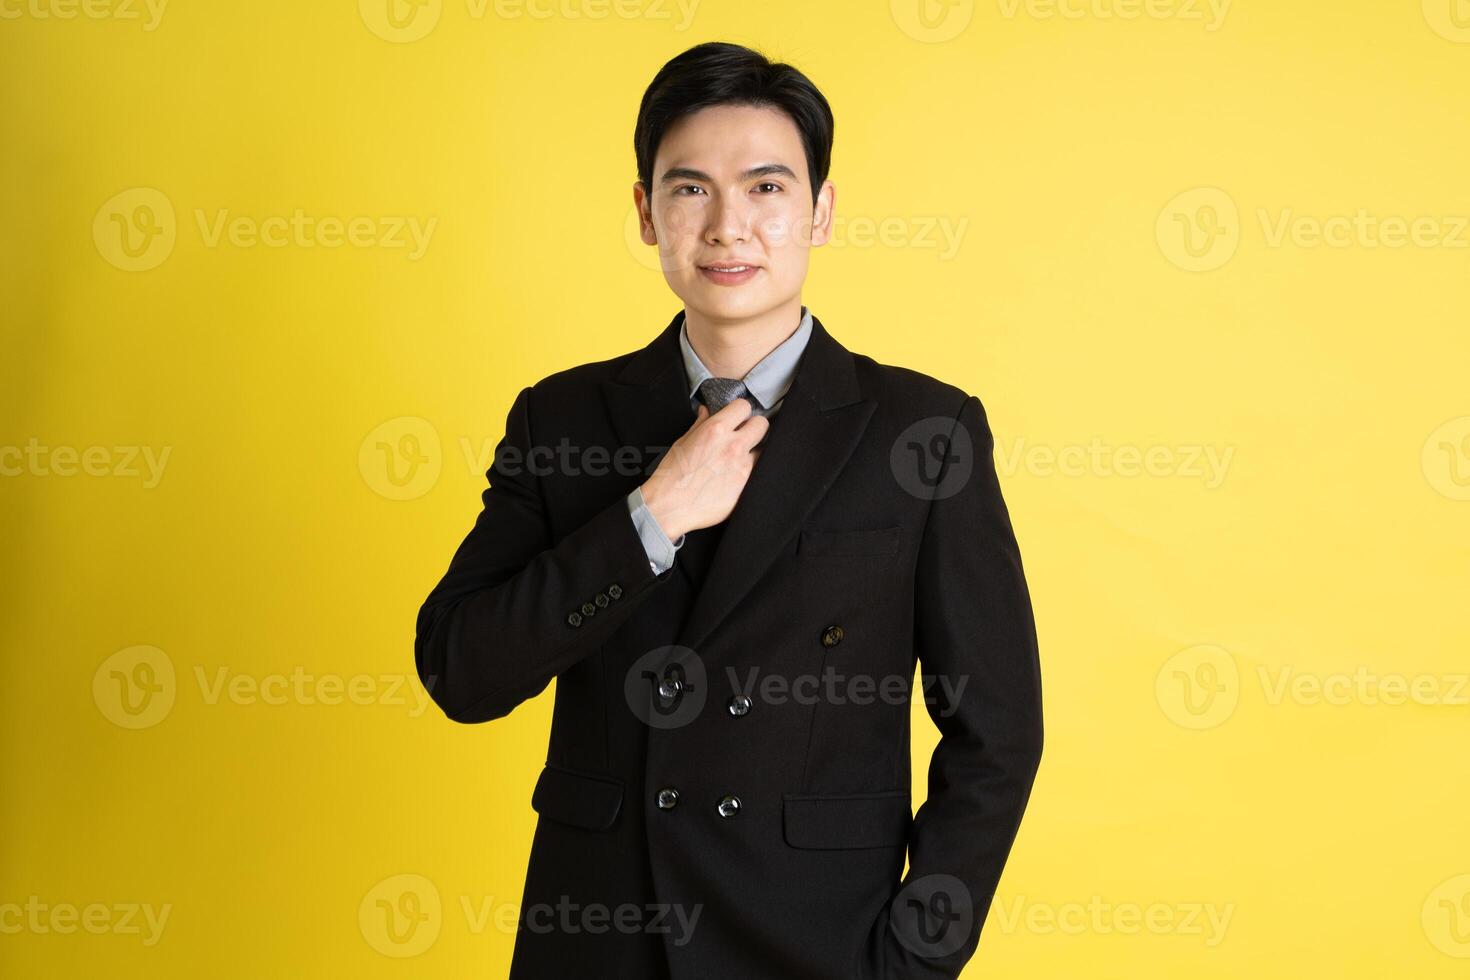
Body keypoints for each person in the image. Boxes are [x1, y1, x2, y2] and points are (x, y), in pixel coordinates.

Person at [414, 40, 1044, 980]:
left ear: (821, 212)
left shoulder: (926, 432)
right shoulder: (564, 416)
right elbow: (463, 670)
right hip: (601, 937)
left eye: (765, 188)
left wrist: (912, 962)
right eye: (690, 188)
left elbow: (997, 731)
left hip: (819, 942)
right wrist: (650, 518)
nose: (727, 226)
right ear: (645, 212)